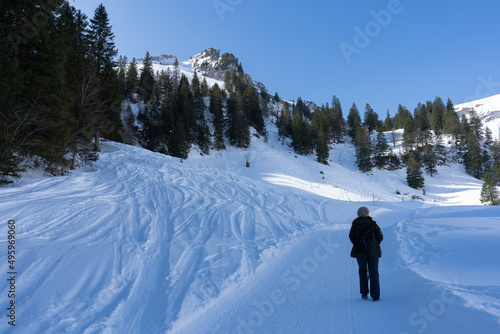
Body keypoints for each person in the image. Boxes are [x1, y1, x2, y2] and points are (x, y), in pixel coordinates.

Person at [349, 206, 383, 301]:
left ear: (358, 214)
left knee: (362, 271)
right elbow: (380, 236)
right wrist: (374, 244)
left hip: (360, 252)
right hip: (374, 252)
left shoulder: (355, 224)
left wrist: (359, 245)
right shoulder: (373, 224)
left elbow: (351, 237)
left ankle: (364, 293)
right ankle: (375, 295)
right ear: (368, 214)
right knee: (374, 272)